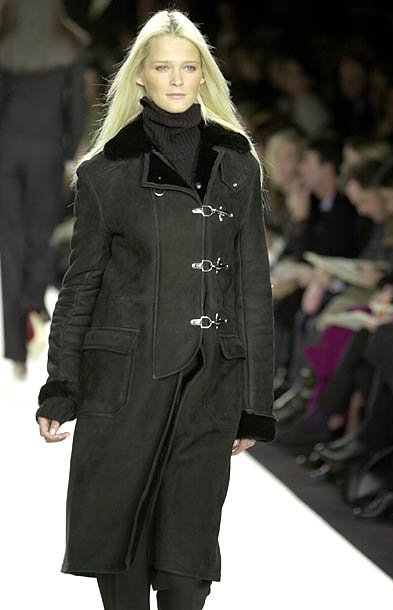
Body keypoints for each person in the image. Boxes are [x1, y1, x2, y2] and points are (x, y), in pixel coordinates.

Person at [35, 9, 277, 610]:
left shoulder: (237, 165)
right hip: (124, 386)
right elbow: (81, 287)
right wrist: (61, 386)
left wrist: (255, 403)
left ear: (204, 76)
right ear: (139, 75)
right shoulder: (106, 173)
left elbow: (252, 287)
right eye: (163, 67)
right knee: (121, 550)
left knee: (187, 560)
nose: (176, 79)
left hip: (209, 383)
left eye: (188, 67)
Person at [0, 0, 89, 378]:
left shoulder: (4, 39)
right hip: (47, 146)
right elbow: (77, 103)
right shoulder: (71, 43)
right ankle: (33, 302)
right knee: (39, 234)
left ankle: (16, 350)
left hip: (7, 145)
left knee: (11, 242)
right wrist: (68, 152)